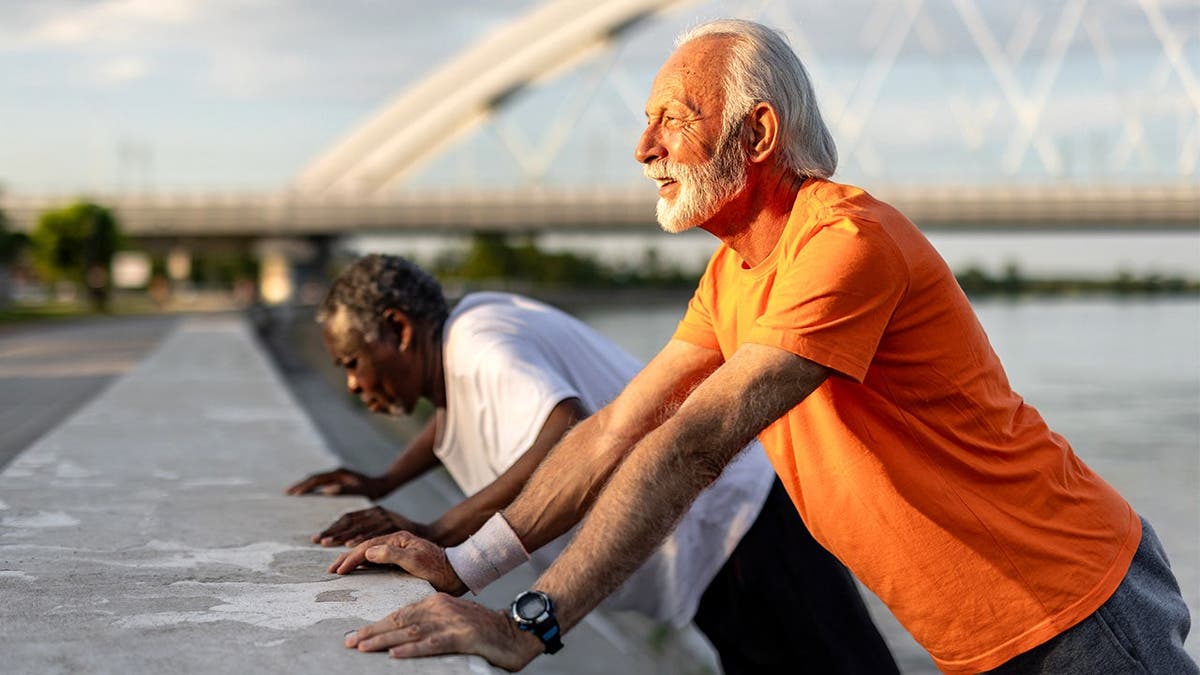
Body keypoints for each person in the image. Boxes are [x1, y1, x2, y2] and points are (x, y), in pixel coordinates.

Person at [335, 21, 1197, 675]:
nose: (643, 149)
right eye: (645, 122)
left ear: (756, 135)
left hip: (1079, 608)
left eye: (672, 120)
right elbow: (611, 431)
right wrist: (461, 563)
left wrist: (527, 625)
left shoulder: (845, 243)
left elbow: (691, 444)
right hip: (994, 629)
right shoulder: (734, 276)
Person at [294, 253, 899, 673]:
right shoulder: (470, 338)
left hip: (737, 534)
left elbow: (565, 429)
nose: (350, 382)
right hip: (714, 542)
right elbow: (453, 420)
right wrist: (386, 479)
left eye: (352, 361)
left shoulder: (482, 344)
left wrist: (442, 537)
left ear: (399, 329)